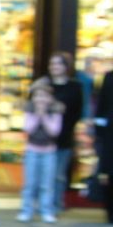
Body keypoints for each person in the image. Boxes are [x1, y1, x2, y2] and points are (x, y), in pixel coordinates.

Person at [17, 78, 63, 223]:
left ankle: (46, 210)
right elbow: (28, 129)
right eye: (37, 96)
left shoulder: (56, 111)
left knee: (47, 184)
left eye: (44, 96)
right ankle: (26, 210)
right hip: (32, 151)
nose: (40, 99)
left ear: (50, 98)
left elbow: (54, 131)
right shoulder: (29, 110)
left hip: (49, 152)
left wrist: (44, 116)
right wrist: (37, 115)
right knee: (30, 183)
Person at [45, 51, 84, 213]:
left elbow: (77, 111)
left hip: (64, 135)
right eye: (52, 64)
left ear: (66, 66)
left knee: (59, 174)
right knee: (45, 173)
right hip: (43, 137)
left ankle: (56, 203)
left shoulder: (75, 87)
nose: (54, 67)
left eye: (58, 63)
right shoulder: (44, 85)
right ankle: (43, 204)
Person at [95, 66, 113, 223]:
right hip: (110, 132)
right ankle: (110, 211)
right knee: (109, 171)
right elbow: (102, 103)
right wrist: (99, 129)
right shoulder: (109, 77)